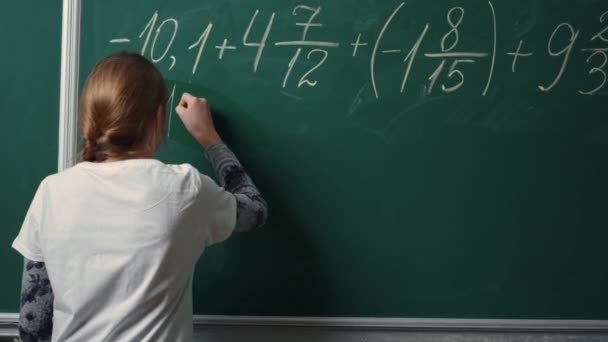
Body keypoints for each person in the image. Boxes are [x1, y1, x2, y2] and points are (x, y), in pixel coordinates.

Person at [12, 51, 268, 341]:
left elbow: (33, 324)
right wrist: (210, 138)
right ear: (159, 117)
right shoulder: (186, 187)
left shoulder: (52, 192)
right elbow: (254, 209)